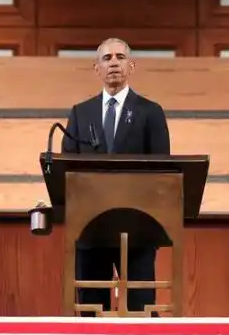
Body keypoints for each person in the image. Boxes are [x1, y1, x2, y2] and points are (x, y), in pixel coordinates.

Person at [61, 38, 171, 314]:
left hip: (137, 229)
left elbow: (162, 173)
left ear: (131, 66)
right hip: (91, 227)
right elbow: (68, 171)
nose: (113, 63)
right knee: (89, 309)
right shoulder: (80, 113)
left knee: (141, 307)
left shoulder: (150, 112)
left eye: (120, 57)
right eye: (106, 58)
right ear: (96, 68)